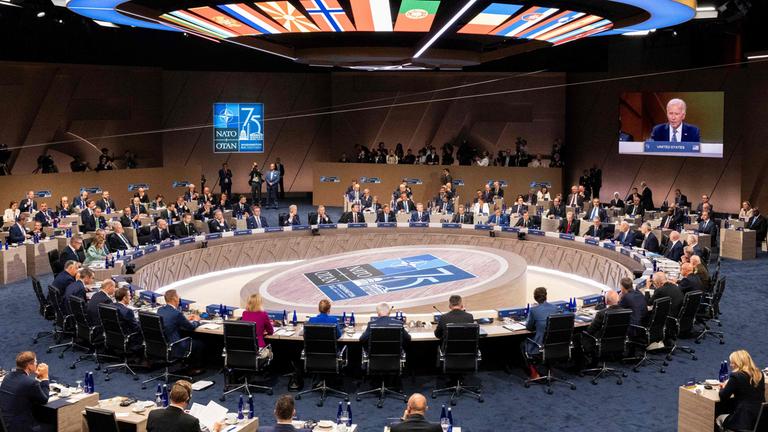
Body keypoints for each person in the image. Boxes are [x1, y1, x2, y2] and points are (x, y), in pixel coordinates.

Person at [716, 350, 766, 432]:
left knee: (719, 418)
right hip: (760, 419)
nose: (731, 365)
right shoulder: (759, 374)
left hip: (743, 420)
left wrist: (723, 387)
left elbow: (723, 396)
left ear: (739, 363)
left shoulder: (736, 376)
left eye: (732, 363)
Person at [0, 351, 50, 432]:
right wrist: (44, 377)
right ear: (29, 365)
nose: (36, 365)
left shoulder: (7, 377)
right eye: (35, 362)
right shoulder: (31, 383)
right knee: (55, 426)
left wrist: (38, 379)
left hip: (6, 423)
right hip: (21, 427)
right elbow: (44, 399)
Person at [147, 380, 223, 432]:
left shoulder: (153, 414)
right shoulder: (191, 422)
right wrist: (215, 430)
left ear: (170, 395)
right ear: (188, 398)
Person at [157, 290, 203, 373]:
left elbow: (172, 320)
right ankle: (194, 369)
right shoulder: (176, 313)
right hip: (175, 345)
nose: (179, 299)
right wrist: (197, 320)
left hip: (163, 345)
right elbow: (191, 327)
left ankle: (184, 364)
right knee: (199, 343)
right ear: (174, 298)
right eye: (178, 297)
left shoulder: (160, 310)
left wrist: (185, 319)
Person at [580, 290, 625, 366]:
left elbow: (590, 330)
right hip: (617, 342)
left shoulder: (601, 313)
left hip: (600, 342)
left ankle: (582, 364)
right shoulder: (625, 311)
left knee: (579, 335)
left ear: (606, 301)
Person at [523, 287, 560, 378]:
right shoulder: (555, 308)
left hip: (539, 345)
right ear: (546, 296)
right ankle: (550, 370)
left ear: (535, 297)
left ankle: (534, 373)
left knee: (523, 344)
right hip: (554, 345)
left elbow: (529, 327)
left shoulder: (533, 310)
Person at [241, 293, 274, 358]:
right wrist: (262, 333)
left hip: (245, 349)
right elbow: (271, 331)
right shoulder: (263, 314)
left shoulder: (244, 313)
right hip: (258, 350)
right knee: (270, 353)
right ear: (260, 303)